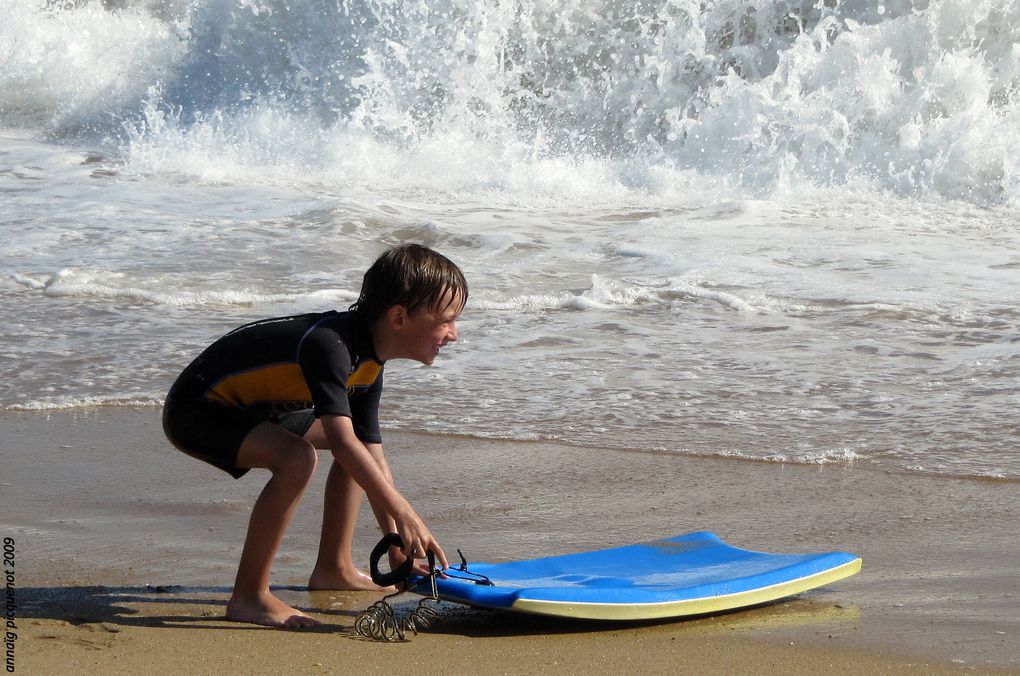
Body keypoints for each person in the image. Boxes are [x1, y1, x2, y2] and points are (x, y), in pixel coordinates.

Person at [162, 244, 466, 628]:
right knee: (297, 458)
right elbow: (341, 442)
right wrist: (405, 513)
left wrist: (396, 548)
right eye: (447, 320)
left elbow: (369, 453)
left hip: (254, 410)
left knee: (357, 448)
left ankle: (333, 568)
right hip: (196, 410)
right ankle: (250, 597)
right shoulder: (331, 345)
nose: (454, 334)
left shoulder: (371, 361)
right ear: (399, 317)